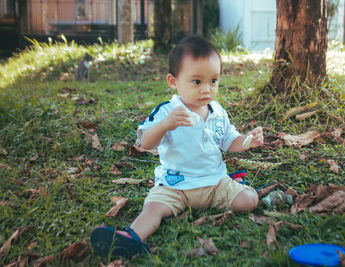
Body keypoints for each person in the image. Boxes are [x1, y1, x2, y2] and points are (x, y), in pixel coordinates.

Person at [90, 35, 264, 259]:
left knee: (249, 200)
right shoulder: (166, 111)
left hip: (214, 183)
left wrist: (248, 140)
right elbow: (144, 143)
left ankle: (237, 181)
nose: (206, 90)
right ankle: (131, 237)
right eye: (196, 82)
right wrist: (165, 125)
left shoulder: (217, 111)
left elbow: (230, 141)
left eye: (213, 81)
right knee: (153, 208)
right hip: (176, 184)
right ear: (173, 81)